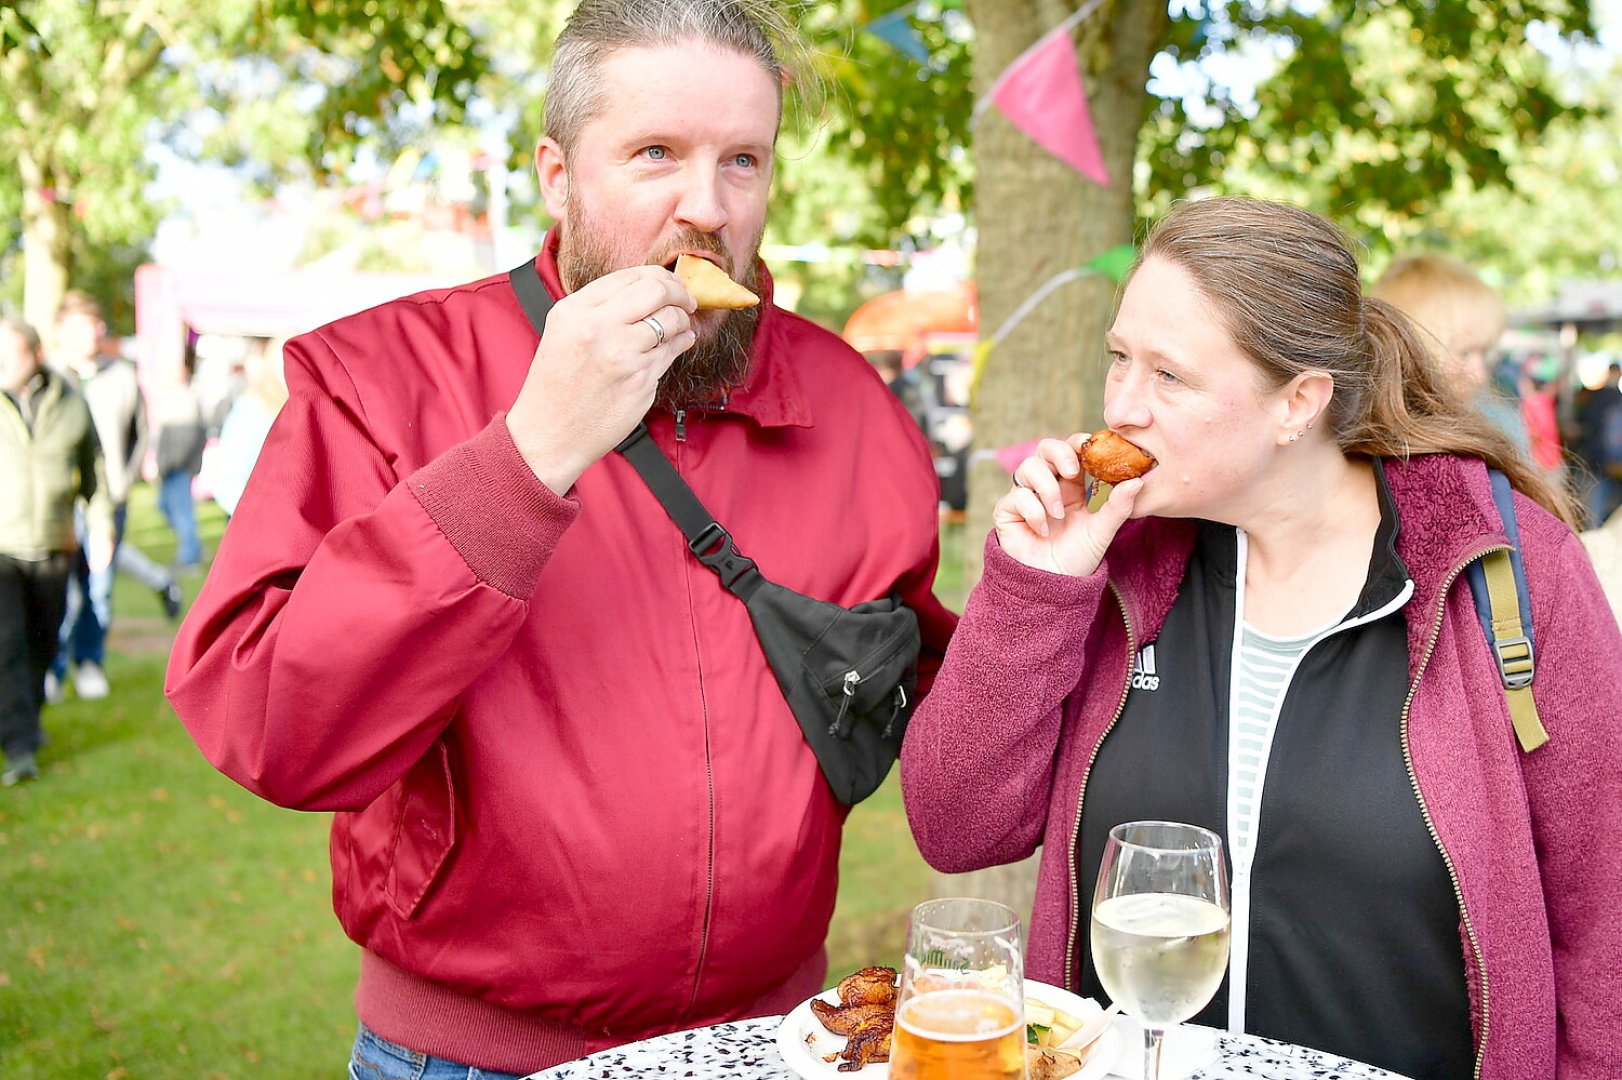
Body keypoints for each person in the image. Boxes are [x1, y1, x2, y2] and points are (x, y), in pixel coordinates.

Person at [164, 2, 956, 1076]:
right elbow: (269, 726)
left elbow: (922, 692)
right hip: (467, 1059)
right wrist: (528, 456)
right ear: (555, 174)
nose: (705, 206)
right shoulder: (382, 379)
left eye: (741, 161)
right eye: (653, 154)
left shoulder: (853, 404)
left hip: (767, 1047)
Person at [901, 197, 1621, 1080]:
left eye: (1171, 376)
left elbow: (1606, 926)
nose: (1121, 407)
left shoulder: (1507, 569)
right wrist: (1035, 590)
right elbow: (955, 828)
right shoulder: (1115, 564)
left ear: (1299, 404)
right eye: (1119, 359)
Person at [48, 291, 182, 703]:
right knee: (57, 588)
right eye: (82, 326)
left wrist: (122, 481)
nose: (92, 333)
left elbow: (141, 432)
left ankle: (89, 661)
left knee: (98, 586)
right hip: (61, 501)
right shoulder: (50, 376)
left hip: (110, 500)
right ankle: (52, 667)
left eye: (95, 325)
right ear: (61, 331)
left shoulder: (121, 375)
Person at [1, 318, 116, 785]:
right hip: (3, 547)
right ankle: (20, 745)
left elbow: (95, 471)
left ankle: (25, 717)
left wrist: (103, 526)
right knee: (7, 644)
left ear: (36, 355)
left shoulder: (70, 402)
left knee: (45, 642)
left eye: (11, 354)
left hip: (54, 544)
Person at [1370, 252, 1531, 457]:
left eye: (1484, 353)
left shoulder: (1496, 424)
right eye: (1465, 353)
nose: (1480, 374)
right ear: (1417, 346)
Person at [152, 364, 207, 568]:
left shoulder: (184, 400)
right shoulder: (175, 399)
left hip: (178, 466)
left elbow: (186, 438)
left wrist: (170, 464)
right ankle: (192, 548)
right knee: (166, 506)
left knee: (182, 511)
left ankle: (190, 555)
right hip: (172, 465)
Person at [1573, 362, 1622, 526]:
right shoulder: (1615, 399)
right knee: (1605, 505)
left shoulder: (1597, 397)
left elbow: (1585, 424)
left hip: (1596, 459)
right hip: (1607, 460)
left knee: (1596, 505)